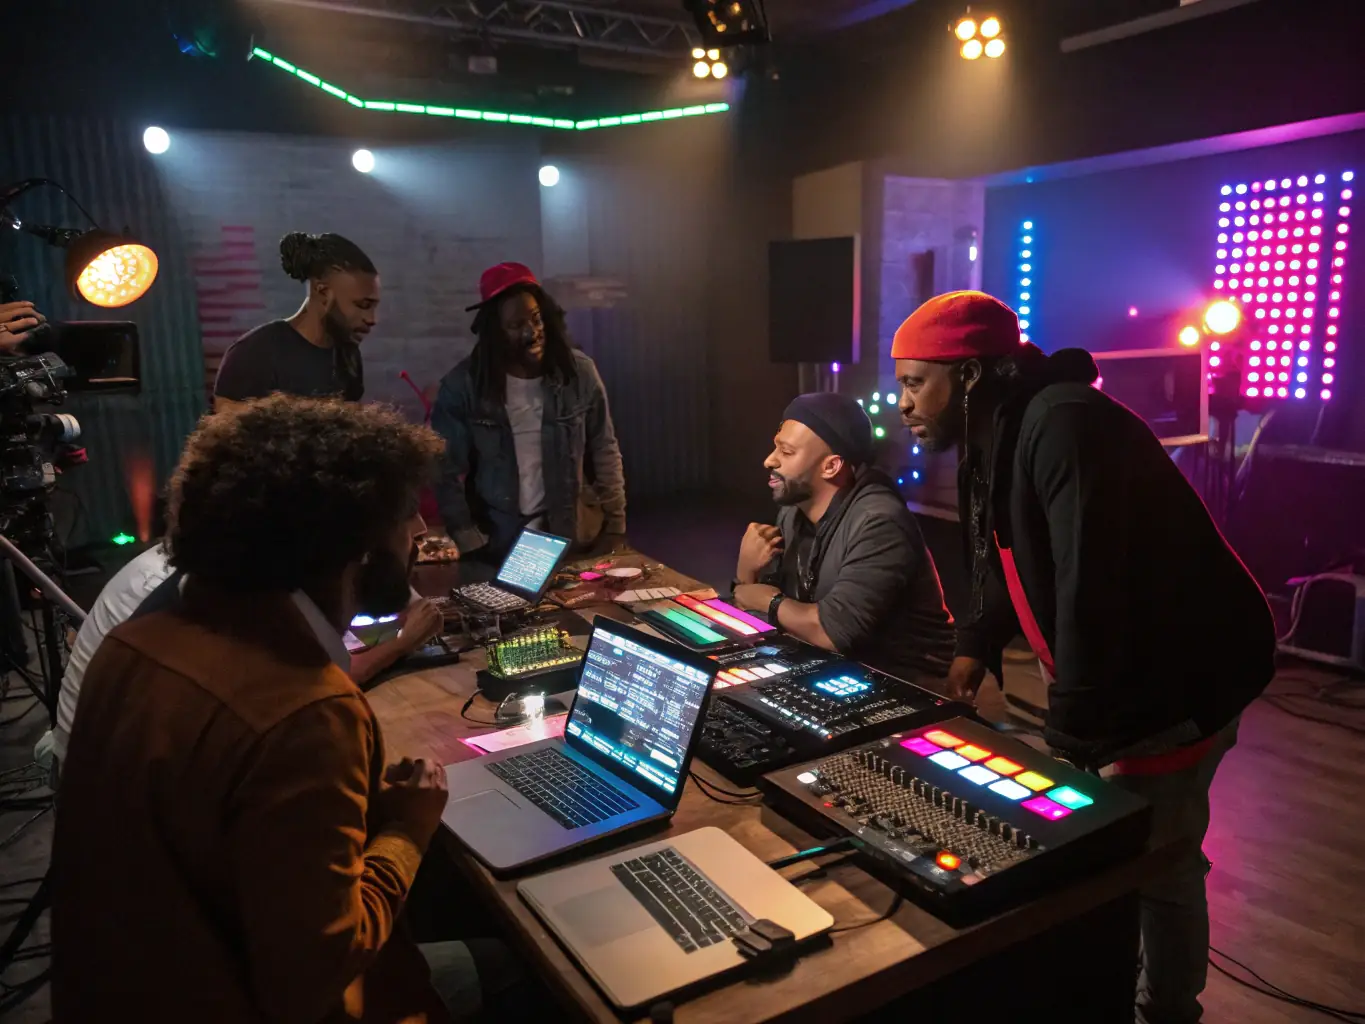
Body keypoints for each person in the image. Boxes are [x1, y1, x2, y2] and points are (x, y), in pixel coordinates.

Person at [52, 397, 518, 1023]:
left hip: (134, 990)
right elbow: (317, 974)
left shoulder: (133, 644)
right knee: (516, 965)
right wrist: (406, 831)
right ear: (352, 547)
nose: (417, 530)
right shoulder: (305, 711)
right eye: (402, 514)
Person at [891, 291, 1276, 1024]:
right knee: (1117, 849)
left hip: (1178, 679)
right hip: (1121, 672)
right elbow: (1003, 550)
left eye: (914, 382)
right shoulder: (1000, 428)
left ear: (969, 375)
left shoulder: (1063, 423)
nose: (902, 402)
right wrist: (976, 644)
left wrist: (1072, 733)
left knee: (1158, 859)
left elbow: (1089, 585)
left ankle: (1165, 1013)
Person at [33, 542, 444, 772]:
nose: (422, 531)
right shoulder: (219, 599)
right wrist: (405, 830)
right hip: (117, 809)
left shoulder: (195, 573)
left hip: (98, 783)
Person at [730, 392, 955, 682]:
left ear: (831, 466)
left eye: (786, 452)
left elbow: (834, 632)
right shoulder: (794, 510)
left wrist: (768, 601)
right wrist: (746, 573)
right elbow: (762, 615)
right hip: (839, 670)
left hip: (908, 684)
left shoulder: (879, 522)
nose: (769, 460)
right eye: (776, 447)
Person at [431, 262, 626, 560]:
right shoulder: (463, 387)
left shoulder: (579, 373)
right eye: (515, 325)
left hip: (572, 536)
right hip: (500, 544)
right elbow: (444, 470)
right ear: (495, 332)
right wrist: (469, 539)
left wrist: (614, 526)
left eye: (536, 319)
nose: (531, 332)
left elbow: (604, 449)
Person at [213, 232, 378, 412]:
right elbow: (225, 423)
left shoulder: (348, 356)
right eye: (362, 305)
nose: (372, 319)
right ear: (323, 292)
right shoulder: (255, 352)